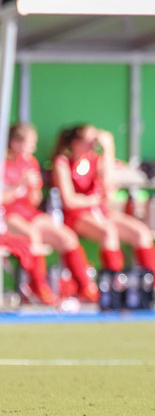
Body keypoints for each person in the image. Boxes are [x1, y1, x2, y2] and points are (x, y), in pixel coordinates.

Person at [50, 124, 155, 294]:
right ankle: (115, 285)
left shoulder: (97, 160)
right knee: (108, 232)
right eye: (89, 141)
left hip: (100, 212)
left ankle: (153, 285)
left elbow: (108, 187)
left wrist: (109, 149)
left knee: (140, 232)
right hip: (77, 215)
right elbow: (70, 201)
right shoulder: (63, 162)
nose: (93, 145)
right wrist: (91, 200)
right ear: (75, 142)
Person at [4, 123, 98, 302]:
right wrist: (19, 187)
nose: (33, 147)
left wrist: (31, 189)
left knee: (67, 237)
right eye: (30, 143)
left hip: (27, 212)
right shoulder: (3, 162)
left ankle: (85, 287)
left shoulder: (30, 162)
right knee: (33, 235)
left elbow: (34, 200)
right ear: (15, 143)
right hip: (7, 214)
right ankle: (38, 287)